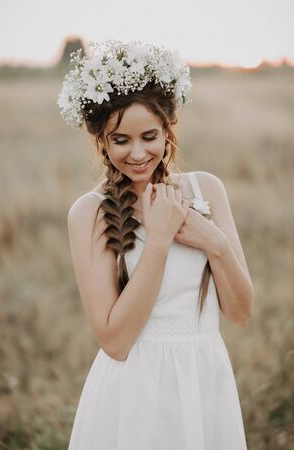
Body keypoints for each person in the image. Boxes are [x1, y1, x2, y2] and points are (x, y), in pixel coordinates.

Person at [58, 39, 254, 450]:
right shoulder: (88, 213)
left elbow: (239, 312)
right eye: (120, 140)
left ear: (169, 129)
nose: (137, 153)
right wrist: (159, 241)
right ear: (102, 141)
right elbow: (114, 341)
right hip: (132, 392)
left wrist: (213, 242)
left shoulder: (207, 191)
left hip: (204, 382)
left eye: (149, 135)